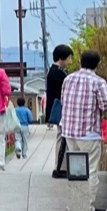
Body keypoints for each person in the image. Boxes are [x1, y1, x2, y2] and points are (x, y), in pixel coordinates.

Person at [60, 49, 107, 211]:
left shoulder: (68, 79)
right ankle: (86, 207)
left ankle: (74, 204)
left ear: (80, 62)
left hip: (69, 132)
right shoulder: (98, 82)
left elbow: (63, 100)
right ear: (97, 64)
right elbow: (105, 106)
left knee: (75, 171)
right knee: (90, 171)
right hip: (89, 133)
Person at [46, 43, 72, 175]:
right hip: (60, 107)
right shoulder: (57, 73)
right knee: (62, 136)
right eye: (69, 58)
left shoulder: (54, 71)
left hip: (57, 106)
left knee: (61, 135)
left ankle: (61, 166)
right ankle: (60, 167)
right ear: (62, 58)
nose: (70, 61)